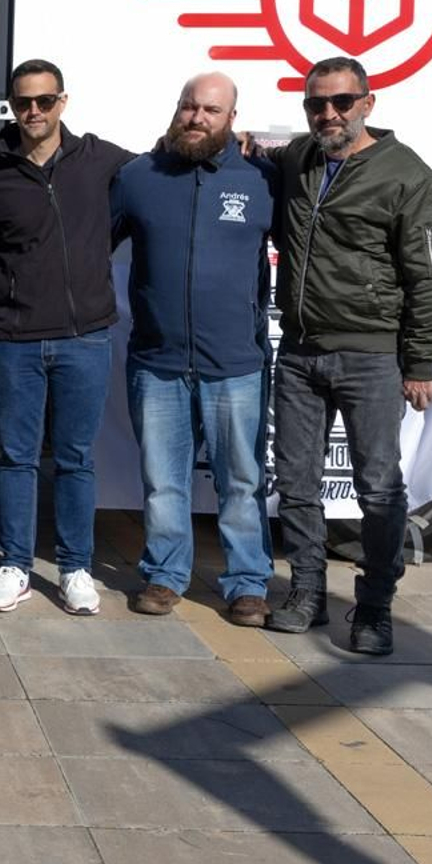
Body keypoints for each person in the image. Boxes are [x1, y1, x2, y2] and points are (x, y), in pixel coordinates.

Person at [266, 56, 432, 655]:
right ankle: (306, 592)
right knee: (297, 483)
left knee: (378, 489)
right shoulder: (300, 158)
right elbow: (265, 148)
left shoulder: (407, 176)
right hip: (300, 353)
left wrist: (421, 361)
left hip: (372, 358)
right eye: (316, 103)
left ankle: (374, 606)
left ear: (368, 104)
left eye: (341, 102)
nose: (328, 113)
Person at [0, 59, 136, 615]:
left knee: (77, 459)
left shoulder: (102, 162)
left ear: (63, 102)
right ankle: (15, 565)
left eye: (44, 100)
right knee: (16, 457)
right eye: (23, 103)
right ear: (13, 106)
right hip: (14, 342)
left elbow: (161, 180)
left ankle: (76, 568)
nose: (32, 112)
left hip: (85, 339)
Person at [110, 73, 275, 626]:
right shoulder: (138, 177)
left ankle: (249, 582)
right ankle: (164, 574)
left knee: (242, 482)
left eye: (211, 109)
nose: (197, 117)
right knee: (163, 480)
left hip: (235, 364)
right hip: (157, 363)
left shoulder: (261, 179)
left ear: (232, 117)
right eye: (189, 106)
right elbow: (85, 248)